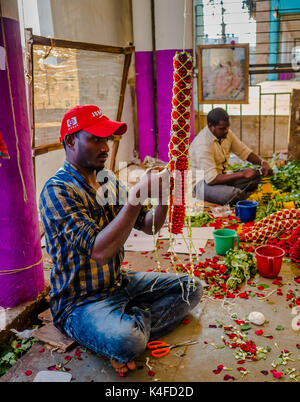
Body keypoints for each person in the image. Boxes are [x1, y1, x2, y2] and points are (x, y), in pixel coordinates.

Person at [39, 104, 202, 374]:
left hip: (118, 283)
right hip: (79, 302)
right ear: (70, 141)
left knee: (191, 288)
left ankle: (126, 325)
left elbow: (150, 226)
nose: (105, 146)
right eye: (95, 139)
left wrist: (162, 195)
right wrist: (138, 194)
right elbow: (99, 250)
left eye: (107, 139)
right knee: (127, 341)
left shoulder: (108, 180)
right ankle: (124, 334)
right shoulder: (57, 190)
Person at [189, 107, 273, 205]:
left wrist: (263, 163)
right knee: (233, 195)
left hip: (222, 176)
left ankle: (235, 192)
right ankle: (234, 193)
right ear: (211, 126)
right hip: (202, 184)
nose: (226, 131)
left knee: (257, 174)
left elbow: (244, 152)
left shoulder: (227, 134)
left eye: (227, 127)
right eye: (222, 129)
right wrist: (242, 174)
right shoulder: (202, 143)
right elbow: (212, 179)